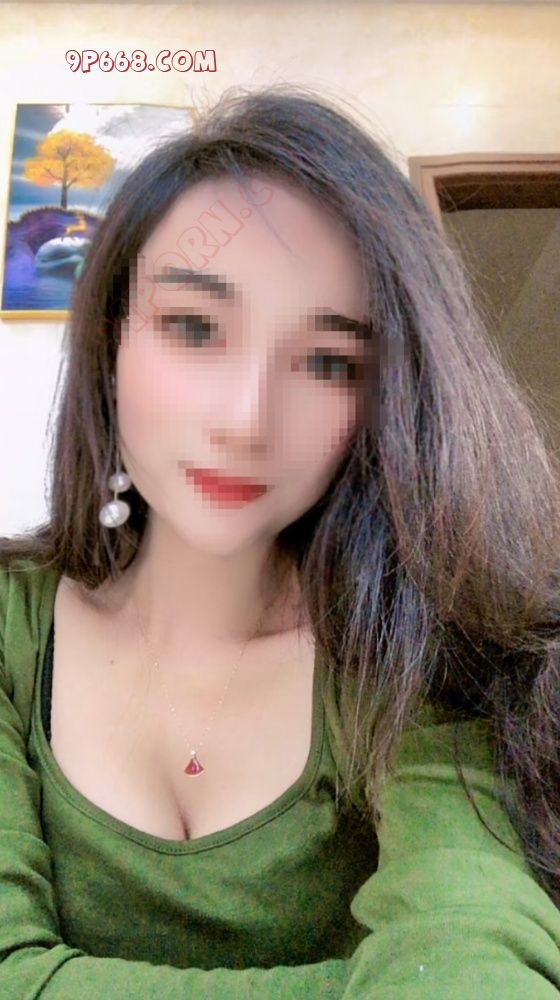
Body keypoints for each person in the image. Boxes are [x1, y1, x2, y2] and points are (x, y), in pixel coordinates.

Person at [1, 84, 560, 998]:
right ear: (111, 345)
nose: (247, 419)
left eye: (328, 361)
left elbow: (468, 951)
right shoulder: (13, 631)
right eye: (195, 328)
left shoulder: (417, 649)